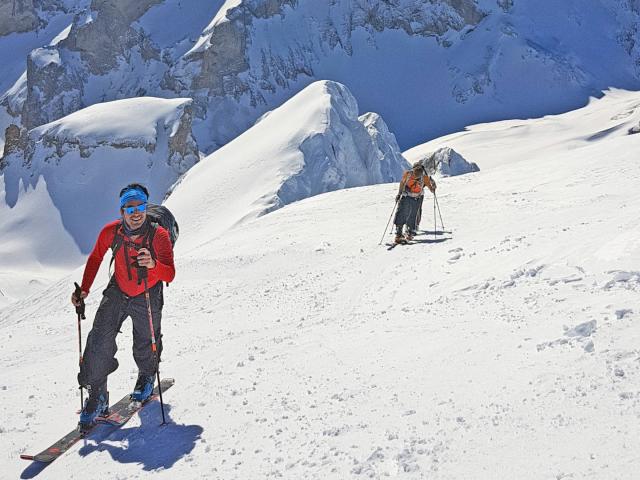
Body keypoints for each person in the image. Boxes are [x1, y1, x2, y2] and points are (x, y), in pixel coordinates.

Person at [71, 183, 175, 429]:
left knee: (145, 339)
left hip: (148, 292)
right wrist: (84, 289)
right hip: (118, 290)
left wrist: (153, 265)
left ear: (146, 207)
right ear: (121, 211)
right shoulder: (112, 232)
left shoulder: (158, 235)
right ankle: (97, 396)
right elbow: (96, 257)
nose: (135, 212)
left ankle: (147, 376)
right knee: (99, 340)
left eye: (140, 206)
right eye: (129, 207)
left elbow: (169, 274)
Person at [393, 162, 436, 243]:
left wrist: (433, 186)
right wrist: (399, 194)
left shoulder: (424, 178)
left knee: (411, 214)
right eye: (416, 172)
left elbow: (431, 189)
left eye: (418, 173)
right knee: (403, 213)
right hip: (408, 196)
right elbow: (402, 183)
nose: (417, 175)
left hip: (415, 197)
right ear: (413, 170)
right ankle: (401, 234)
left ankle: (406, 233)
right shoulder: (408, 174)